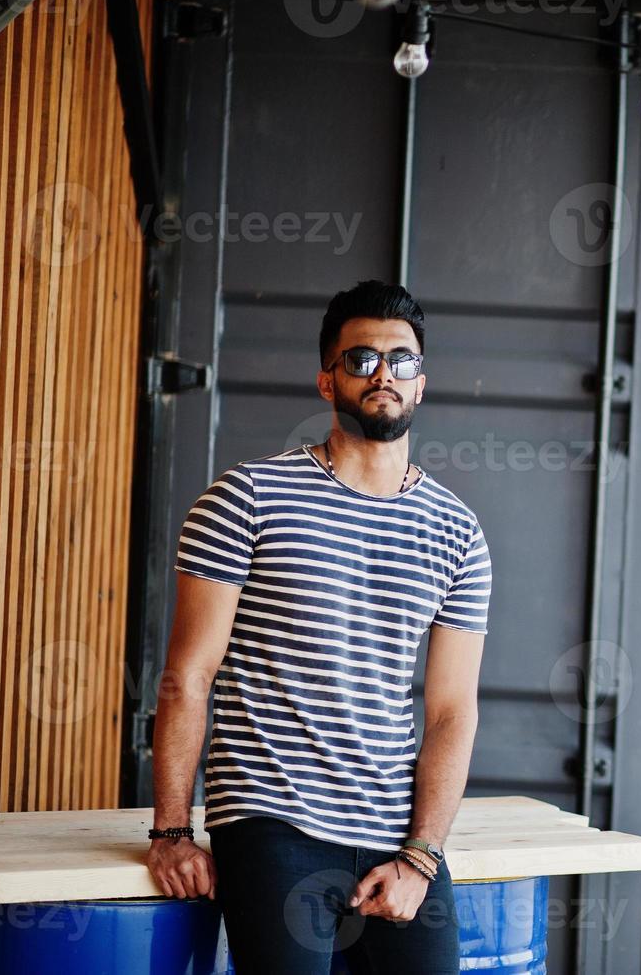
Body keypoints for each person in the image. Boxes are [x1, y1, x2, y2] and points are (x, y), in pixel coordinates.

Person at [146, 280, 491, 974]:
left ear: (421, 384)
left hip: (396, 835)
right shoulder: (246, 499)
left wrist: (421, 855)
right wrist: (172, 830)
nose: (384, 374)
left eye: (402, 360)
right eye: (361, 359)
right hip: (274, 823)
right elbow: (188, 677)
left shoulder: (457, 530)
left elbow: (452, 711)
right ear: (327, 380)